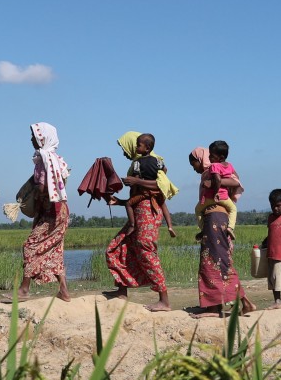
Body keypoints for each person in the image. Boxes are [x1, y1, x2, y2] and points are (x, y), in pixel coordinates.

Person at [105, 131, 174, 312]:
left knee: (146, 251)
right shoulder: (136, 165)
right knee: (118, 246)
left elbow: (160, 188)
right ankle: (121, 291)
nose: (126, 151)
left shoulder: (154, 163)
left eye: (126, 147)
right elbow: (136, 197)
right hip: (138, 210)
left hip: (147, 213)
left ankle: (164, 300)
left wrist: (136, 181)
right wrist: (119, 201)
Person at [191, 147, 255, 318]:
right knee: (221, 260)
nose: (194, 167)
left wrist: (213, 184)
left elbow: (236, 182)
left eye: (194, 163)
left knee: (213, 261)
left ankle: (214, 308)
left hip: (216, 217)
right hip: (214, 219)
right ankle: (237, 303)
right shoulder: (212, 171)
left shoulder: (214, 170)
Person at [12, 122, 71, 303]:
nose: (32, 139)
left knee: (30, 246)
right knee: (55, 249)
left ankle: (23, 289)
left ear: (43, 138)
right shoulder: (57, 159)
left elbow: (42, 187)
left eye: (35, 136)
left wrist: (34, 199)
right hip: (61, 211)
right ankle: (64, 291)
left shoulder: (43, 160)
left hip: (50, 212)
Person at [194, 140, 241, 235]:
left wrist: (215, 192)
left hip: (211, 197)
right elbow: (237, 178)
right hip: (225, 198)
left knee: (198, 210)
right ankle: (231, 228)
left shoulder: (214, 166)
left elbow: (218, 180)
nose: (209, 157)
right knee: (233, 209)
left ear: (221, 157)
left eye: (211, 155)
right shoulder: (230, 166)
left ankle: (203, 228)